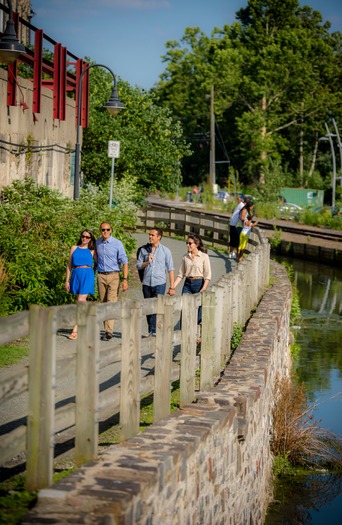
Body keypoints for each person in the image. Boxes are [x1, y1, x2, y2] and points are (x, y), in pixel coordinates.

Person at [168, 235, 211, 341]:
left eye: (190, 243)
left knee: (198, 309)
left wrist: (204, 288)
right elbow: (180, 274)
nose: (188, 245)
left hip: (199, 283)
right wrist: (172, 287)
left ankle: (197, 334)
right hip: (187, 283)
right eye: (187, 243)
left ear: (196, 244)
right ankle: (184, 333)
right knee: (184, 307)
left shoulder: (204, 256)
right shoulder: (185, 257)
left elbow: (208, 274)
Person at [136, 228, 175, 336]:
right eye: (149, 235)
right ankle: (151, 329)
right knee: (148, 307)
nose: (150, 237)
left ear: (159, 237)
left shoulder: (166, 251)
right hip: (147, 283)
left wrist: (172, 287)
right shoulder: (143, 250)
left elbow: (170, 269)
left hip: (160, 283)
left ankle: (154, 331)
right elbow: (138, 265)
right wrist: (147, 262)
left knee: (157, 306)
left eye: (153, 235)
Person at [96, 222, 129, 341]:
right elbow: (95, 259)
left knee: (111, 303)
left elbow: (125, 262)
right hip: (101, 276)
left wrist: (125, 279)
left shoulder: (117, 244)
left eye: (107, 229)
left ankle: (109, 331)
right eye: (103, 229)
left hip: (114, 276)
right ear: (100, 231)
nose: (105, 231)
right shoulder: (97, 242)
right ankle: (106, 329)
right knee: (104, 303)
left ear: (111, 230)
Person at [65, 229, 97, 340]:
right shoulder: (74, 248)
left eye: (87, 237)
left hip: (87, 275)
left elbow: (100, 262)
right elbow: (69, 265)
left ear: (91, 239)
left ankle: (75, 330)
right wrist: (67, 280)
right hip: (76, 274)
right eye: (83, 236)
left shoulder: (92, 250)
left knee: (80, 301)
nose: (85, 238)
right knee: (80, 302)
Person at [228, 193, 246, 259]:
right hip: (234, 224)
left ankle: (231, 253)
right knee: (235, 239)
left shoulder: (239, 205)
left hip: (233, 223)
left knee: (233, 239)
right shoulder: (241, 205)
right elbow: (243, 215)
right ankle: (234, 254)